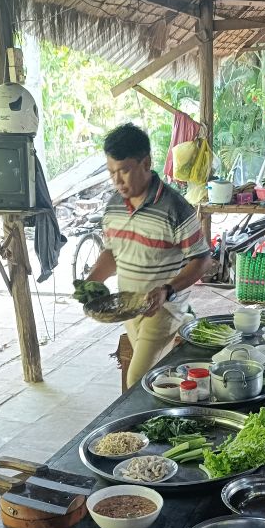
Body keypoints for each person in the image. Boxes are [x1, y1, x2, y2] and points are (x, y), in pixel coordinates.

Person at [85, 123, 213, 387]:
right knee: (156, 379)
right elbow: (112, 252)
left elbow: (201, 259)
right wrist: (93, 279)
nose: (117, 180)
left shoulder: (175, 207)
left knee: (136, 381)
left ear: (146, 163)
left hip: (163, 307)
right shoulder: (113, 207)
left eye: (124, 171)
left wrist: (167, 289)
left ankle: (181, 319)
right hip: (129, 306)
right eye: (112, 173)